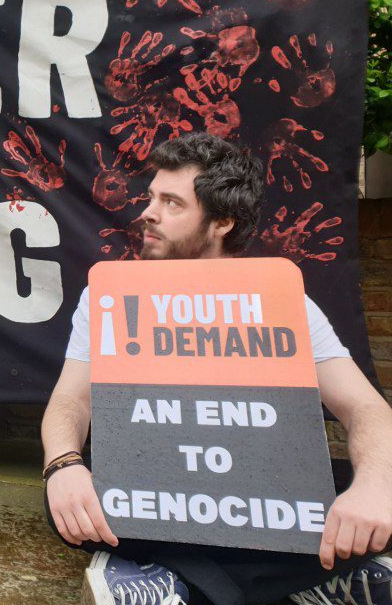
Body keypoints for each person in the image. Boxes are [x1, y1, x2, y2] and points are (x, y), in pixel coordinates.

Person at [42, 133, 392, 605]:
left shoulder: (283, 303)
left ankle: (161, 577)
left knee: (379, 485)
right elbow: (71, 399)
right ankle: (315, 581)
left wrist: (374, 487)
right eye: (151, 198)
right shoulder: (108, 297)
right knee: (67, 495)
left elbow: (366, 407)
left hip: (252, 491)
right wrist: (62, 465)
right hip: (147, 482)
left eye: (171, 203)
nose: (147, 212)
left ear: (222, 220)